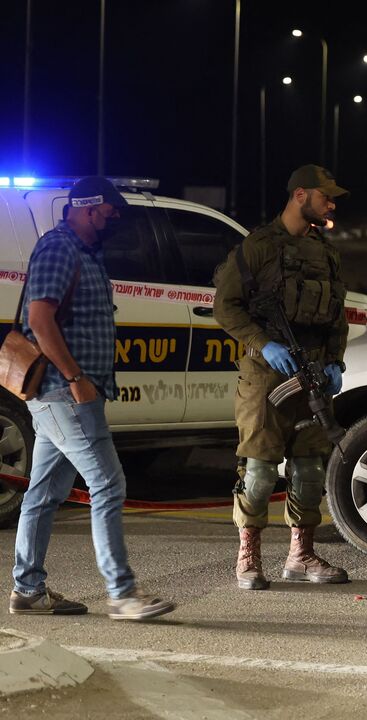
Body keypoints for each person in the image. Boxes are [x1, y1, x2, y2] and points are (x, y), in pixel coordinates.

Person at [9, 177, 176, 621]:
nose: (113, 220)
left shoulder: (86, 254)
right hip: (63, 393)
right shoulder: (59, 248)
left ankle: (28, 590)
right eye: (109, 213)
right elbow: (40, 320)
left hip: (71, 393)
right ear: (86, 209)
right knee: (108, 484)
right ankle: (122, 594)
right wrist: (77, 377)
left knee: (45, 494)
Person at [214, 165, 350, 590]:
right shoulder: (258, 246)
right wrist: (261, 343)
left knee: (309, 471)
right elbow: (226, 307)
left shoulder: (325, 251)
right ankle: (248, 558)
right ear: (299, 196)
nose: (331, 204)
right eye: (324, 196)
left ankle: (300, 555)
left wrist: (335, 362)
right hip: (266, 373)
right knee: (258, 472)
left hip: (311, 370)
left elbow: (336, 315)